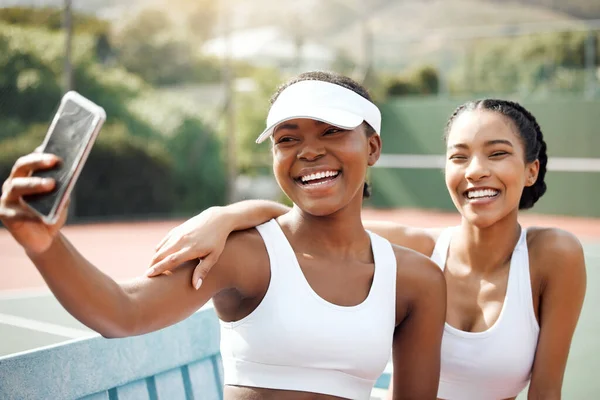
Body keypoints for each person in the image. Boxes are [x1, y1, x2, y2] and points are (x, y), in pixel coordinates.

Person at [0, 71, 447, 400]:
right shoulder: (243, 254)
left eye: (331, 132)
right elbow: (123, 312)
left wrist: (230, 211)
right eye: (287, 139)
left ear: (372, 147)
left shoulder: (417, 280)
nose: (309, 151)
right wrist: (44, 244)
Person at [149, 98, 587, 400]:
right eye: (459, 157)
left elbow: (547, 393)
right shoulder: (411, 251)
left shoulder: (554, 255)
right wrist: (224, 216)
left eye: (497, 154)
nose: (475, 171)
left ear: (530, 171)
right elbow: (302, 224)